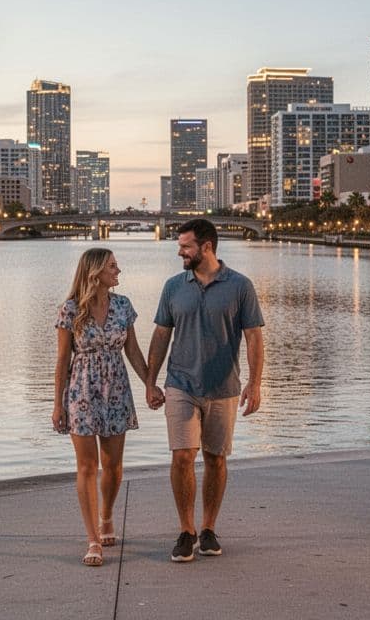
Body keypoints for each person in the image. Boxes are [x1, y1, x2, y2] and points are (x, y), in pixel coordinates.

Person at [145, 218, 264, 563]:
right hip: (180, 383)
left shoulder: (240, 286)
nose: (180, 252)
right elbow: (160, 335)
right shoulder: (173, 286)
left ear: (206, 247)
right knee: (182, 456)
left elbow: (254, 337)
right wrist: (151, 382)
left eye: (185, 246)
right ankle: (186, 530)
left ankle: (209, 528)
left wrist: (255, 385)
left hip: (224, 386)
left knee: (215, 457)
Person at [52, 247, 152, 567]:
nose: (118, 271)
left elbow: (133, 351)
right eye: (113, 266)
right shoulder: (70, 310)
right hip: (80, 392)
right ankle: (93, 538)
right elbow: (62, 360)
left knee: (113, 465)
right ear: (95, 272)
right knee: (86, 466)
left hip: (117, 390)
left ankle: (106, 515)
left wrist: (150, 383)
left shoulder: (123, 306)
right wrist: (57, 404)